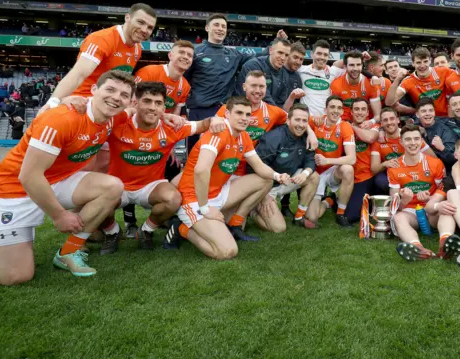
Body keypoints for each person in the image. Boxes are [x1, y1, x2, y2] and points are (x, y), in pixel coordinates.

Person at [0, 70, 135, 285]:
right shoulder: (61, 118)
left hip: (56, 182)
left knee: (113, 187)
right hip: (15, 190)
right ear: (94, 90)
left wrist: (170, 117)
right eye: (110, 90)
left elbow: (139, 110)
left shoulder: (114, 116)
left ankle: (68, 252)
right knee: (15, 277)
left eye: (124, 95)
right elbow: (29, 176)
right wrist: (59, 216)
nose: (116, 98)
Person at [172, 96, 291, 259]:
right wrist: (205, 208)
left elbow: (259, 166)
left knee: (266, 180)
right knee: (227, 251)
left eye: (248, 114)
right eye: (239, 113)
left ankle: (236, 221)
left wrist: (278, 175)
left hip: (219, 193)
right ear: (227, 114)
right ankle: (183, 229)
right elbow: (201, 170)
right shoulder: (217, 133)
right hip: (195, 200)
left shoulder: (243, 136)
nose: (244, 118)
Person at [98, 82, 207, 254]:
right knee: (94, 201)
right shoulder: (118, 124)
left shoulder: (172, 126)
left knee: (173, 199)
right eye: (147, 101)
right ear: (135, 103)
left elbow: (203, 125)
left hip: (150, 187)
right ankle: (113, 232)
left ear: (164, 107)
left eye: (158, 103)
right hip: (118, 187)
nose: (152, 107)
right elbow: (93, 115)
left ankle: (146, 231)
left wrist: (216, 120)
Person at [183, 13, 284, 153]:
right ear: (207, 28)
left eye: (223, 26)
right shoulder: (195, 52)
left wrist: (275, 43)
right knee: (196, 154)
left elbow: (256, 57)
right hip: (199, 112)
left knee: (221, 154)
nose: (220, 29)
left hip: (224, 112)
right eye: (216, 25)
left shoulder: (233, 54)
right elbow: (183, 81)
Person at [40, 3, 156, 114]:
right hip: (81, 104)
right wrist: (53, 102)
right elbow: (78, 74)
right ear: (127, 18)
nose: (144, 30)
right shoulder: (102, 39)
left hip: (107, 106)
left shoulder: (137, 48)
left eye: (150, 27)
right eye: (140, 22)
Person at [248, 103, 320, 230]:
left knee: (313, 177)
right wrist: (265, 192)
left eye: (304, 121)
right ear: (288, 120)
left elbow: (310, 160)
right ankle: (253, 210)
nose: (301, 124)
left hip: (287, 181)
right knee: (278, 228)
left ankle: (299, 217)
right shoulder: (274, 138)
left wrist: (305, 174)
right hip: (268, 186)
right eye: (297, 120)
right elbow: (255, 169)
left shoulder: (306, 137)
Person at [390, 125, 446, 260]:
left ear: (421, 141)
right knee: (398, 218)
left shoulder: (435, 163)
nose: (413, 143)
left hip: (431, 209)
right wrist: (404, 200)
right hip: (411, 212)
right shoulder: (394, 167)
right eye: (408, 139)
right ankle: (417, 248)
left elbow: (444, 189)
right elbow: (394, 207)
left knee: (446, 209)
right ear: (401, 142)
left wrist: (431, 199)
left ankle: (445, 245)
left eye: (416, 139)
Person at [306, 96, 356, 227]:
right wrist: (309, 130)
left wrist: (327, 160)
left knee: (348, 169)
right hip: (315, 173)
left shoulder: (345, 126)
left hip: (332, 170)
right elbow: (294, 119)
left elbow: (352, 158)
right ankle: (328, 201)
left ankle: (340, 213)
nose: (336, 110)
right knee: (312, 217)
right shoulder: (316, 121)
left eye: (339, 108)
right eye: (332, 107)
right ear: (325, 110)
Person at [370, 107, 434, 193]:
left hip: (414, 171)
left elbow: (434, 158)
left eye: (392, 119)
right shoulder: (378, 141)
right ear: (381, 123)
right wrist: (385, 164)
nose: (389, 122)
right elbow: (374, 169)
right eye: (385, 120)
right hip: (393, 174)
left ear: (398, 120)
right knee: (380, 181)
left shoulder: (410, 136)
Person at [386, 47, 453, 116]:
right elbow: (389, 103)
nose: (422, 65)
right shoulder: (408, 81)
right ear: (412, 63)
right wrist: (398, 79)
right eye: (418, 62)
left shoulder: (443, 71)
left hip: (445, 118)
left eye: (425, 61)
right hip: (425, 121)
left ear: (430, 61)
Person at [346, 98, 380, 223]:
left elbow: (370, 138)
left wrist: (353, 127)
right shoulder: (344, 126)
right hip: (349, 176)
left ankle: (370, 199)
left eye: (363, 109)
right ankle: (331, 200)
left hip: (367, 176)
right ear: (351, 112)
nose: (360, 112)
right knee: (350, 216)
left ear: (367, 113)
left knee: (352, 216)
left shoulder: (375, 127)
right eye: (356, 109)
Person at [235, 37, 292, 108]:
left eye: (286, 55)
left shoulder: (285, 74)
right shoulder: (253, 65)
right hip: (245, 109)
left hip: (269, 112)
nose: (283, 58)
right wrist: (276, 112)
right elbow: (262, 96)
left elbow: (281, 102)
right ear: (271, 50)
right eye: (280, 52)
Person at [298, 40, 346, 118]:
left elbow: (353, 69)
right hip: (305, 119)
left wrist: (360, 56)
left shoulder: (334, 71)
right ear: (312, 54)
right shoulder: (301, 70)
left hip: (325, 119)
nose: (322, 57)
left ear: (329, 56)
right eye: (319, 53)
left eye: (325, 55)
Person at [330, 51, 381, 122]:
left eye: (358, 65)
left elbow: (378, 115)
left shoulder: (371, 84)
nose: (355, 68)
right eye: (351, 65)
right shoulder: (336, 84)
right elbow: (332, 112)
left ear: (362, 66)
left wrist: (370, 123)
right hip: (342, 123)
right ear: (345, 67)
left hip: (364, 124)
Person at [415, 98, 460, 171]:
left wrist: (442, 148)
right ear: (417, 114)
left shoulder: (444, 130)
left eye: (431, 110)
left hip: (443, 169)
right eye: (423, 111)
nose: (427, 114)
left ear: (434, 112)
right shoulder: (415, 126)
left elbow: (454, 159)